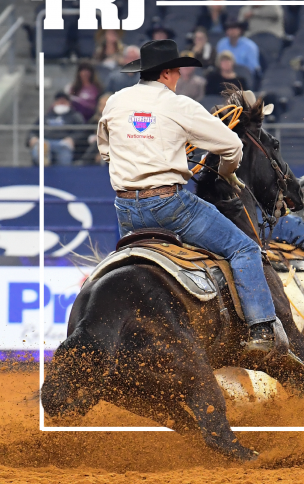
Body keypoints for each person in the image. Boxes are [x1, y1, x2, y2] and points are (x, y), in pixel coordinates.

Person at [98, 39, 281, 359]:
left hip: (125, 211)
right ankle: (261, 327)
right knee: (243, 247)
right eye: (178, 71)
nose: (180, 76)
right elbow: (232, 147)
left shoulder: (115, 102)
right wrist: (227, 172)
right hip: (168, 206)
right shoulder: (179, 105)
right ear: (168, 73)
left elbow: (105, 151)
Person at [30, 92, 85, 166]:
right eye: (59, 101)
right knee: (39, 148)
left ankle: (62, 173)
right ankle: (44, 163)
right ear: (54, 103)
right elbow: (33, 131)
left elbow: (81, 130)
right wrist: (32, 138)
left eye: (64, 102)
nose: (61, 104)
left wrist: (72, 139)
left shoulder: (75, 116)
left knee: (64, 155)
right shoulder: (46, 116)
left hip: (63, 143)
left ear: (69, 103)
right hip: (45, 141)